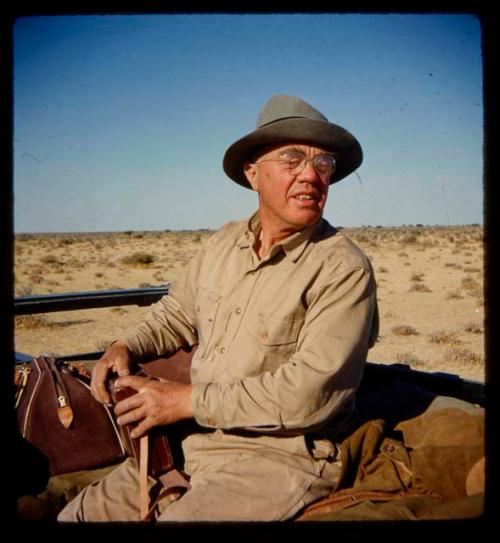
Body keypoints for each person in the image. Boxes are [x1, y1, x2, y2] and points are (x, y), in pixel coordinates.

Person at [58, 94, 379, 522]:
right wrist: (126, 345)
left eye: (324, 164)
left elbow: (310, 394)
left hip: (280, 454)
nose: (311, 175)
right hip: (196, 437)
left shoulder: (343, 269)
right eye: (292, 158)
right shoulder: (224, 243)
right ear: (253, 174)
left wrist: (185, 401)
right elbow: (177, 312)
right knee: (77, 517)